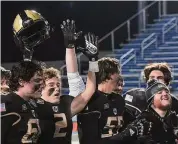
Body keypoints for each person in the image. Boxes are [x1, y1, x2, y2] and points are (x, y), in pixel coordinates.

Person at [34, 19, 98, 144]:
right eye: (51, 85)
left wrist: (93, 61)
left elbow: (88, 89)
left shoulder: (65, 105)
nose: (57, 88)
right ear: (40, 88)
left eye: (58, 84)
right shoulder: (34, 106)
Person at [1, 60, 44, 144]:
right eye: (37, 80)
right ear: (21, 81)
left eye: (42, 81)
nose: (42, 85)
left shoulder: (33, 104)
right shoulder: (7, 103)